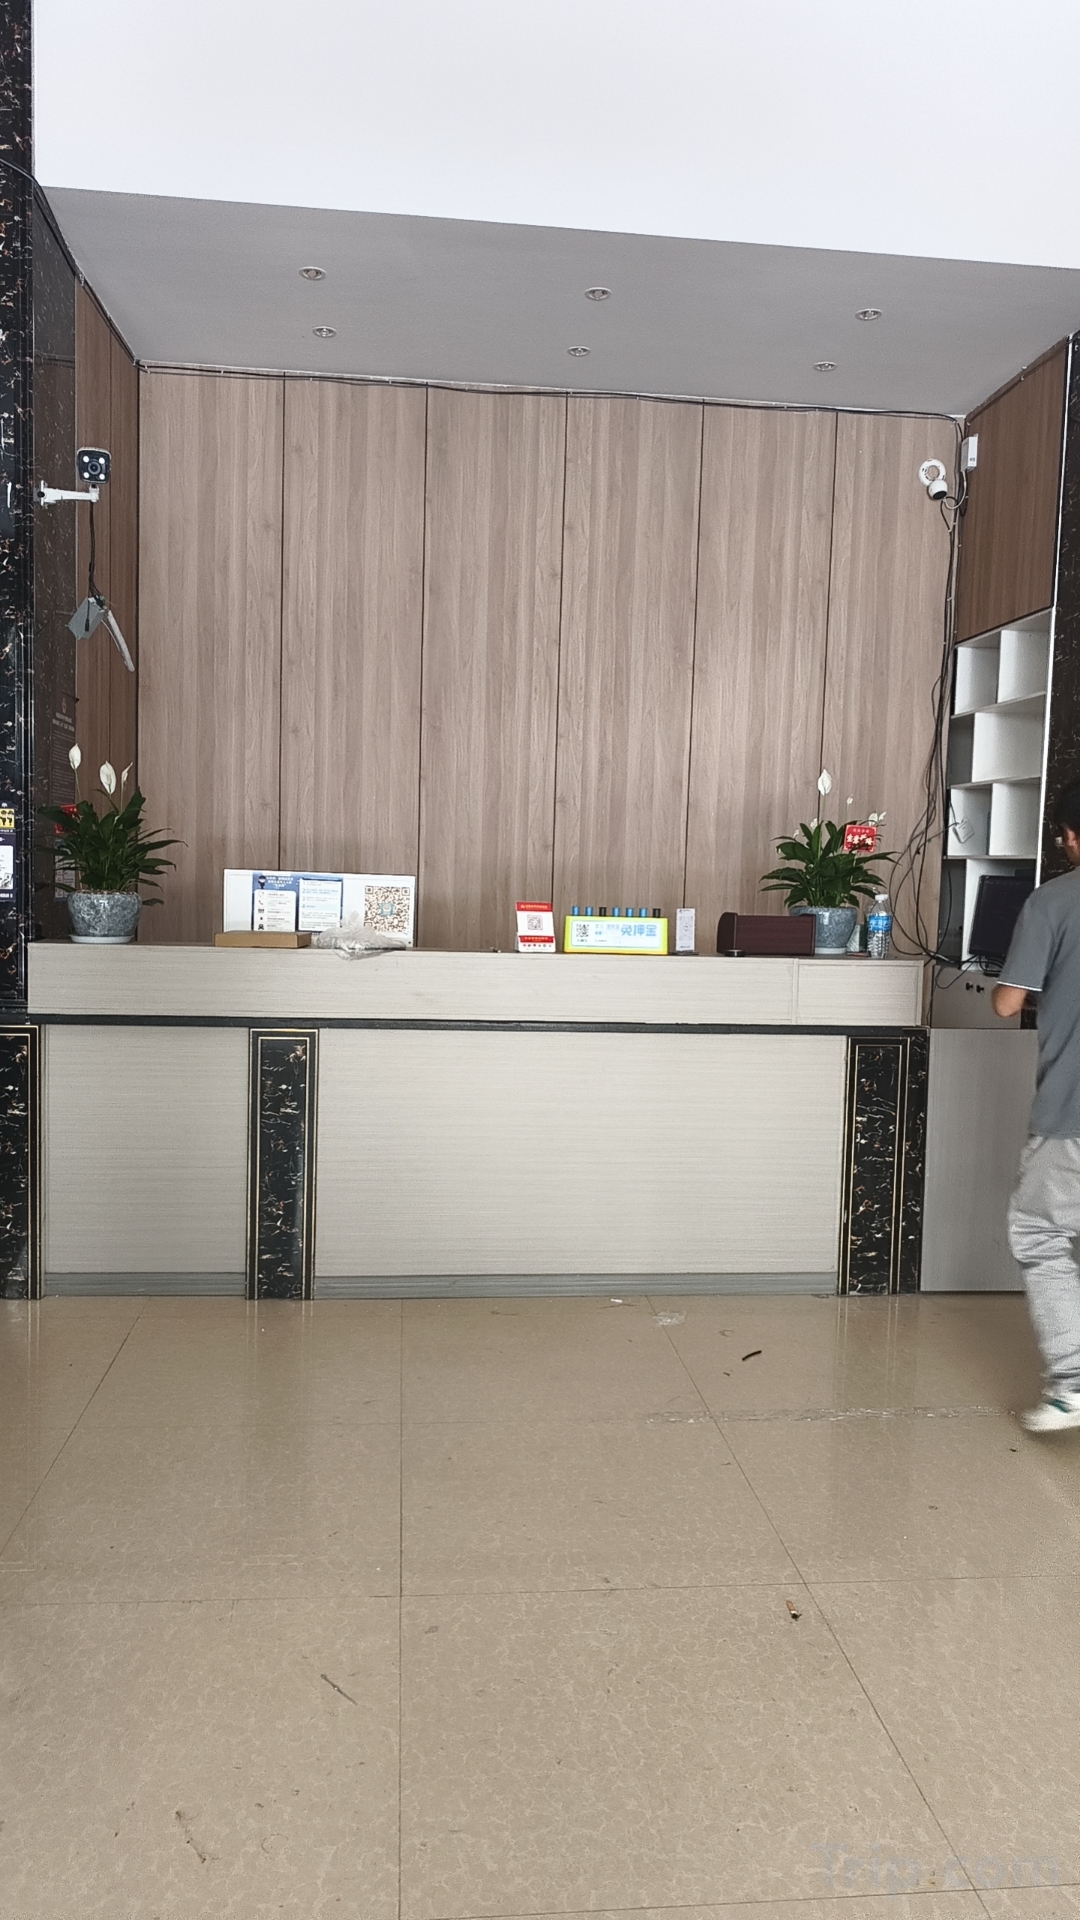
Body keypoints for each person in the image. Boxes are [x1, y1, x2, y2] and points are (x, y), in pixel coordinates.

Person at [994, 779, 1080, 1431]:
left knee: (1041, 1232)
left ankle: (1074, 1383)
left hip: (1070, 1109)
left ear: (1071, 837)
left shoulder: (1053, 900)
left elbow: (1006, 1002)